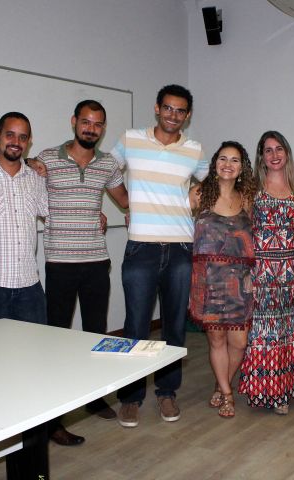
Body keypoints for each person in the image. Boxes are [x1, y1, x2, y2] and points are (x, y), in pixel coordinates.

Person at [112, 85, 208, 428]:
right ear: (157, 108)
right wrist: (125, 202)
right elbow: (105, 170)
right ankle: (131, 397)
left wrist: (198, 200)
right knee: (136, 325)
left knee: (173, 327)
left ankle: (167, 392)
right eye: (168, 108)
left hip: (181, 248)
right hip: (141, 247)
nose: (173, 115)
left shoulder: (194, 150)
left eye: (180, 111)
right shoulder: (131, 139)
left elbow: (217, 182)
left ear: (187, 115)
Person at [35, 100, 129, 446]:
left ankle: (94, 398)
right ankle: (54, 421)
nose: (91, 128)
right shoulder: (45, 159)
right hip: (59, 263)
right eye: (86, 122)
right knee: (58, 341)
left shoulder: (108, 164)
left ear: (103, 128)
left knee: (95, 335)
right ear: (74, 121)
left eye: (98, 124)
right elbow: (26, 191)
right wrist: (30, 164)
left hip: (95, 263)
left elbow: (125, 200)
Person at [239, 130, 294, 415]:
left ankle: (288, 389)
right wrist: (246, 271)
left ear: (287, 153)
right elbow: (243, 231)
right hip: (263, 269)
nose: (274, 155)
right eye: (268, 150)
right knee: (264, 331)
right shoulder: (252, 188)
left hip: (293, 270)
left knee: (290, 330)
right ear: (261, 156)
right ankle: (267, 392)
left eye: (279, 149)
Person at [188, 141, 256, 419]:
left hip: (240, 282)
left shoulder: (248, 198)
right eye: (223, 159)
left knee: (239, 342)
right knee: (216, 341)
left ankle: (221, 382)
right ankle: (227, 393)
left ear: (242, 168)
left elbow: (255, 240)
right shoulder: (198, 194)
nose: (228, 164)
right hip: (208, 282)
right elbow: (177, 226)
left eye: (235, 160)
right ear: (215, 163)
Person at [0, 112, 49, 324]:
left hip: (29, 284)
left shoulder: (35, 178)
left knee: (35, 351)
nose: (16, 142)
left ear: (29, 141)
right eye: (9, 135)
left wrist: (92, 211)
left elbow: (53, 213)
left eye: (23, 137)